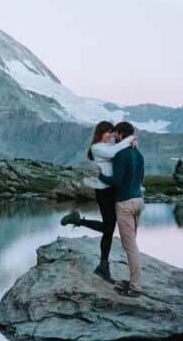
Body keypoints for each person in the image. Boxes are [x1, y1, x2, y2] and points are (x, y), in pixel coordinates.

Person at [60, 120, 136, 283]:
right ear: (101, 133)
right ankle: (79, 222)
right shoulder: (97, 148)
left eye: (112, 132)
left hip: (112, 189)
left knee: (108, 229)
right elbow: (114, 153)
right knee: (108, 228)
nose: (111, 135)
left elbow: (119, 153)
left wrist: (130, 144)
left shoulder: (108, 146)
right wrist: (129, 139)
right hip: (103, 191)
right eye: (108, 132)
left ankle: (103, 265)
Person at [97, 121, 145, 296]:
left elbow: (116, 181)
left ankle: (136, 287)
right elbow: (140, 179)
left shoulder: (120, 154)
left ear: (120, 134)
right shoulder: (137, 154)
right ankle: (134, 281)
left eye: (115, 134)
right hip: (138, 201)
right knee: (133, 244)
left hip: (124, 203)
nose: (113, 137)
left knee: (130, 247)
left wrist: (102, 177)